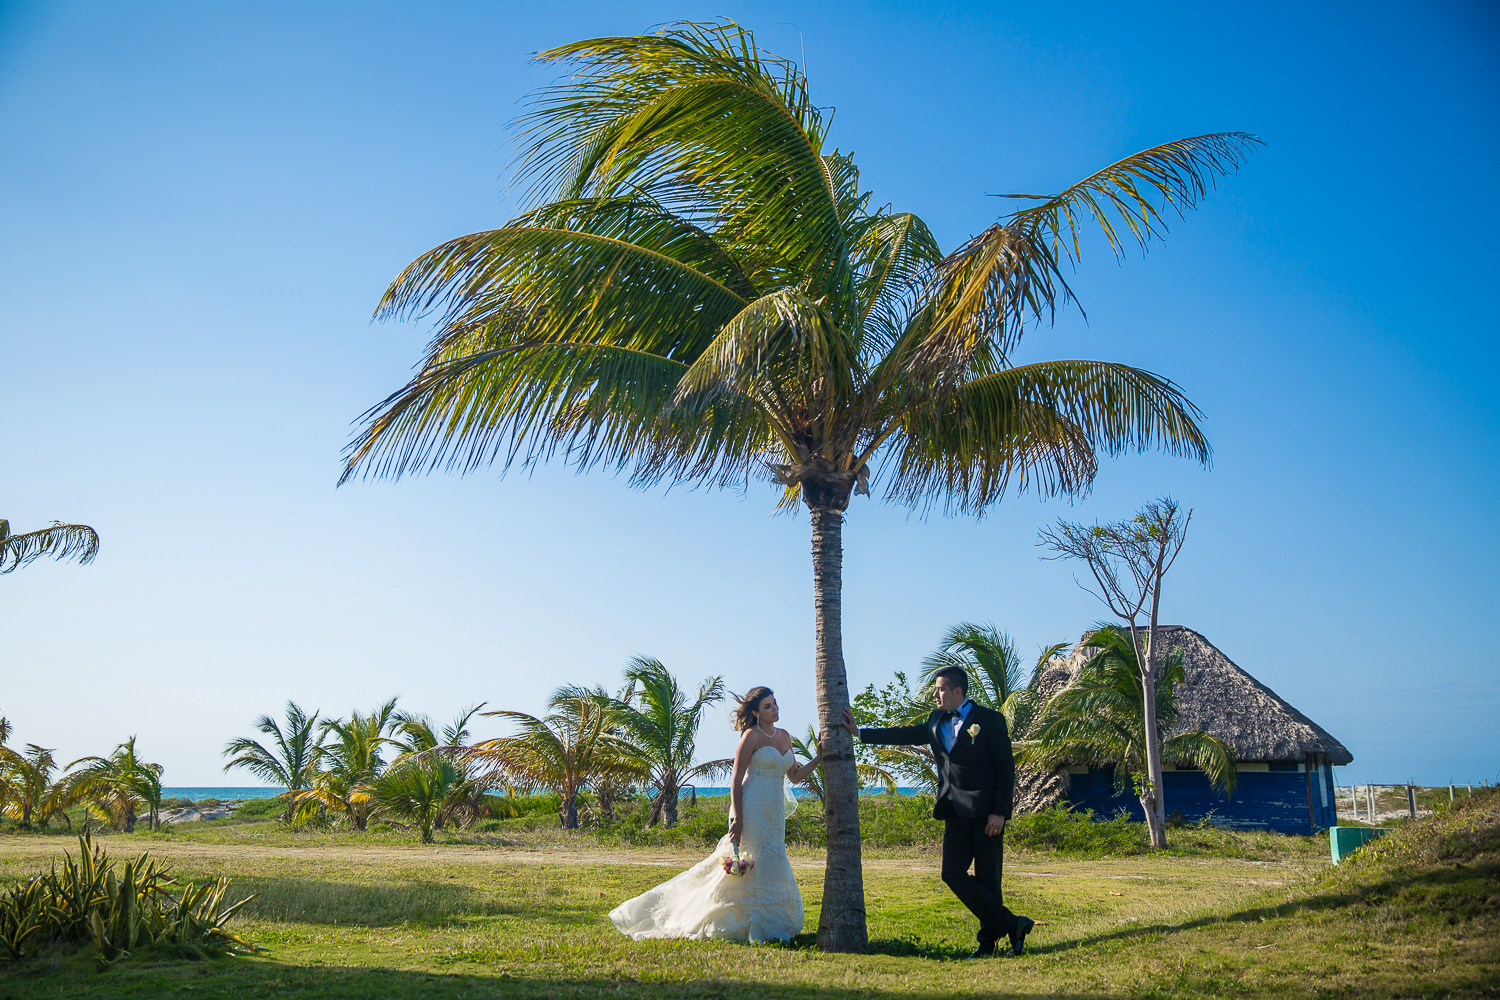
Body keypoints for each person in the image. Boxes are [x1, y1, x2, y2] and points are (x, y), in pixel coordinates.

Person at [840, 665, 1035, 958]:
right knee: (951, 873)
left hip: (986, 815)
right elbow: (905, 734)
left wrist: (1000, 812)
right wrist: (861, 733)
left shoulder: (990, 720)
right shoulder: (935, 721)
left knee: (988, 880)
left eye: (941, 689)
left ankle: (987, 945)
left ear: (958, 691)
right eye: (936, 688)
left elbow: (1005, 769)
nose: (936, 694)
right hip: (953, 811)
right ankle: (1013, 924)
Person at [610, 686, 823, 942]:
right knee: (750, 858)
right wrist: (738, 818)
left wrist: (819, 758)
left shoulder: (785, 737)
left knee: (771, 859)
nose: (775, 708)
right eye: (768, 706)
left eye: (775, 703)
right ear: (756, 712)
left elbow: (794, 776)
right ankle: (736, 918)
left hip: (774, 810)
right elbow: (735, 779)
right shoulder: (750, 737)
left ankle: (768, 919)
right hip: (751, 806)